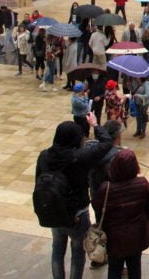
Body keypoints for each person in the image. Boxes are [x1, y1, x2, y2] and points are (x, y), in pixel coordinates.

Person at [35, 114, 113, 279]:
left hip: (55, 210)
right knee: (77, 251)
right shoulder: (80, 157)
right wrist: (96, 125)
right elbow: (107, 143)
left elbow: (39, 181)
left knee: (57, 249)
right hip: (77, 213)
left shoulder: (44, 156)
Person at [92, 149, 149, 279]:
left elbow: (97, 207)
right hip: (136, 234)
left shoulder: (106, 188)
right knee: (135, 267)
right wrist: (143, 222)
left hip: (114, 236)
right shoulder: (143, 184)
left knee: (114, 268)